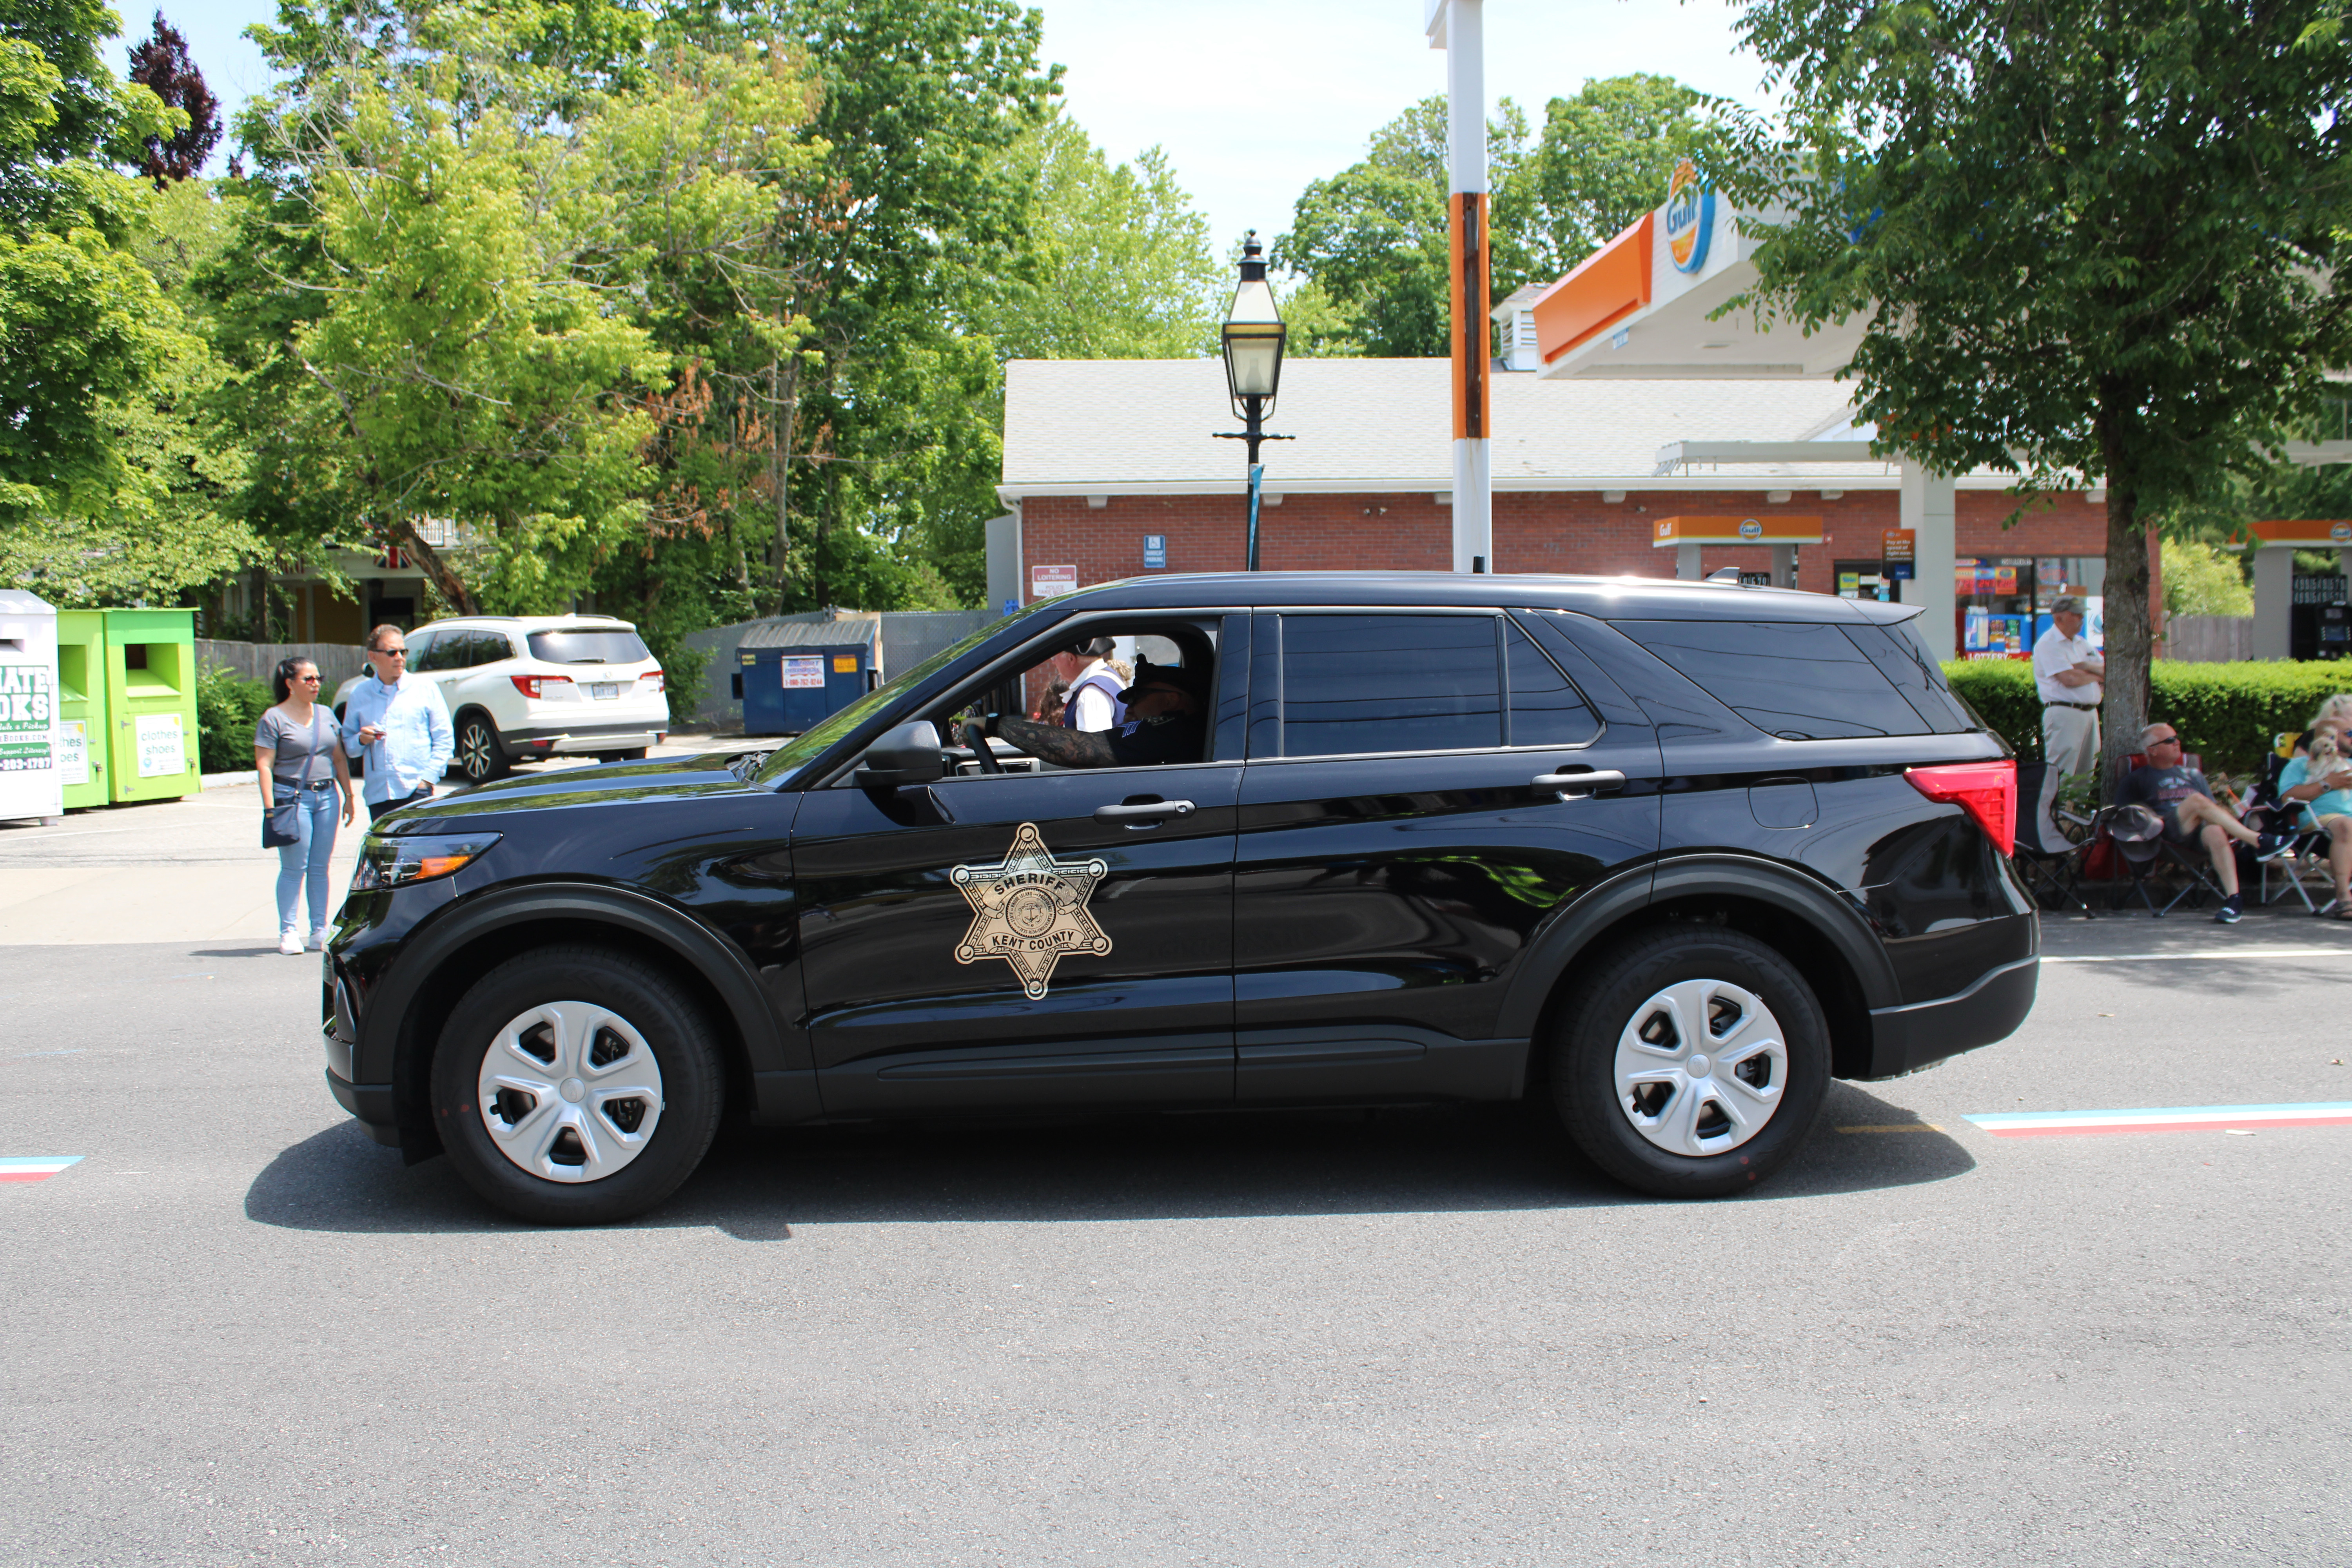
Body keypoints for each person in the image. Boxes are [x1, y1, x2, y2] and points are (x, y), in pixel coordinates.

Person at [2115, 723, 2290, 924]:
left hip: (2196, 836)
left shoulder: (2194, 775)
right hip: (2164, 834)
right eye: (2170, 740)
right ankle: (2259, 841)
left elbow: (2212, 812)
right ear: (2152, 751)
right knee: (2196, 801)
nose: (2177, 743)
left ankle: (2234, 900)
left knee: (2215, 830)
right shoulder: (2136, 779)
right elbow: (2125, 816)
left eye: (2177, 738)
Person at [254, 658, 358, 954]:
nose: (316, 684)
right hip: (292, 798)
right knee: (294, 867)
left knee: (319, 866)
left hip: (327, 796)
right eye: (308, 679)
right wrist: (270, 808)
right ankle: (288, 931)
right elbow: (264, 766)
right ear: (290, 684)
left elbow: (338, 758)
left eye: (318, 678)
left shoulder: (325, 714)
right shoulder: (273, 718)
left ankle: (320, 930)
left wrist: (349, 796)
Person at [982, 659, 1209, 769]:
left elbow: (1079, 749)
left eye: (1137, 698)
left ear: (1170, 700)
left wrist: (996, 725)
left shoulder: (1169, 731)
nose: (1129, 708)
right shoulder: (1184, 731)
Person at [342, 623, 454, 817]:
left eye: (403, 651)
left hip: (417, 791)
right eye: (392, 652)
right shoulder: (359, 694)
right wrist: (361, 739)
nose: (400, 658)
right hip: (379, 794)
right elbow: (349, 747)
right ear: (373, 657)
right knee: (387, 848)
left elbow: (444, 738)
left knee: (419, 848)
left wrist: (427, 779)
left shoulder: (425, 688)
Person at [2277, 717, 2352, 919]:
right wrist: (2328, 784)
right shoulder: (2300, 765)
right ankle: (2344, 896)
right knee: (2347, 825)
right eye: (2349, 734)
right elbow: (2287, 797)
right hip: (2318, 826)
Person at [2031, 594, 2105, 781]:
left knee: (2085, 774)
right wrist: (2097, 675)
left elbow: (2108, 670)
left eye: (2082, 615)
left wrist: (2086, 667)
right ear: (2059, 617)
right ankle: (2059, 810)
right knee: (2062, 774)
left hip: (2090, 714)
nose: (2081, 619)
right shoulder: (2049, 644)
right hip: (2065, 712)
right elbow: (2069, 678)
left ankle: (2077, 810)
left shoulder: (2083, 644)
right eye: (2076, 615)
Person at [1051, 637, 1127, 732]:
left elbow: (1093, 744)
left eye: (1054, 657)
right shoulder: (1108, 678)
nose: (1053, 662)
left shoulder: (1091, 692)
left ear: (1071, 659)